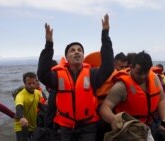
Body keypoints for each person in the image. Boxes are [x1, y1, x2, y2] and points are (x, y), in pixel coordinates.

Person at [37, 13, 114, 141]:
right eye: (72, 50)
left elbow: (108, 67)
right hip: (66, 127)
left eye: (80, 50)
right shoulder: (58, 76)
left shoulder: (92, 74)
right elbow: (42, 74)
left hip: (88, 126)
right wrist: (48, 45)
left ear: (83, 57)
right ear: (67, 58)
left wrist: (105, 35)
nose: (77, 51)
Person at [100, 51, 165, 141]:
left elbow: (162, 99)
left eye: (146, 72)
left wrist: (164, 120)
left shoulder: (154, 78)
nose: (143, 76)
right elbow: (104, 108)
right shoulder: (121, 86)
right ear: (131, 67)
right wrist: (114, 120)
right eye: (139, 73)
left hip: (152, 125)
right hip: (131, 131)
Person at [14, 72, 42, 141]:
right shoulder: (20, 95)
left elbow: (40, 105)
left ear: (36, 82)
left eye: (33, 83)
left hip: (33, 126)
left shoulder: (38, 93)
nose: (32, 86)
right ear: (25, 84)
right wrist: (21, 118)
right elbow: (19, 107)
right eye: (29, 84)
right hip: (21, 126)